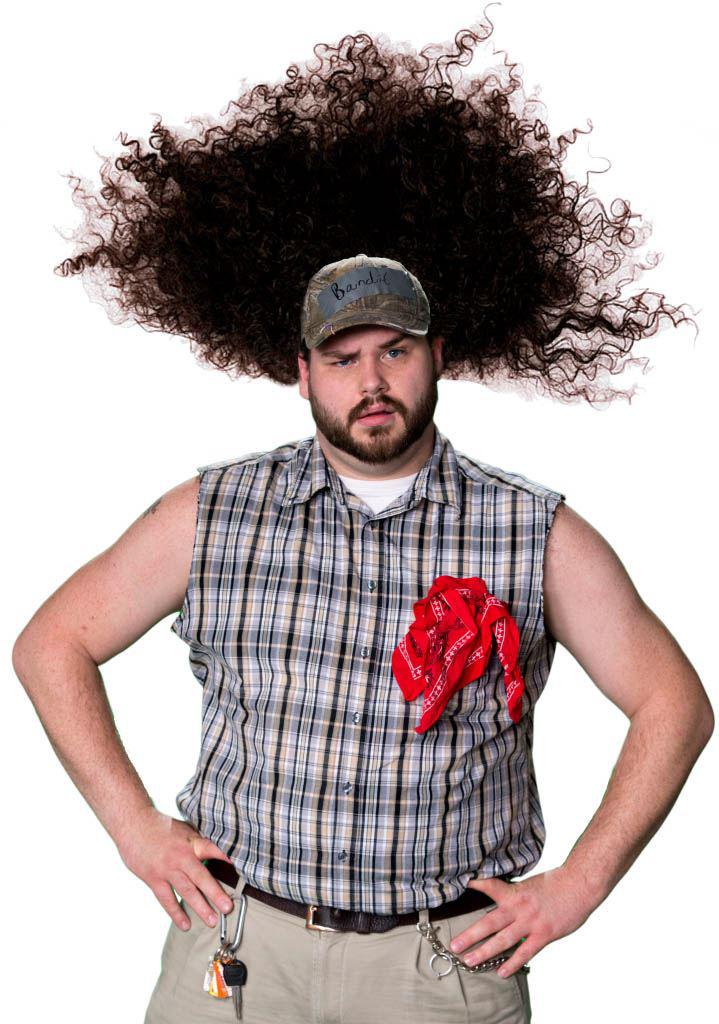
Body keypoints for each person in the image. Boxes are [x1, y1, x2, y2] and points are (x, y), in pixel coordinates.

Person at [12, 252, 714, 1024]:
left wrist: (580, 884)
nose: (370, 382)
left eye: (395, 351)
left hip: (443, 971)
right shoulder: (211, 513)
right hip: (236, 950)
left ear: (437, 355)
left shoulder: (532, 532)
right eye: (342, 359)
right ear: (304, 374)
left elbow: (673, 704)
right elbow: (51, 644)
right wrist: (133, 827)